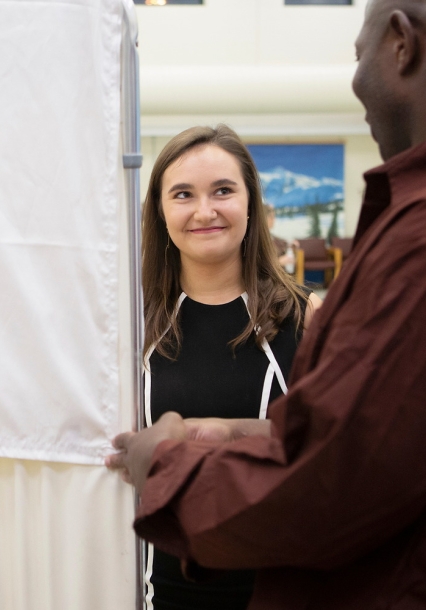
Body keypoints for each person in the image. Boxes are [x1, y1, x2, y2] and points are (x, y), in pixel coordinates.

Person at [106, 0, 426, 608]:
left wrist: (168, 466)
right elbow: (404, 441)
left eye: (360, 54)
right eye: (182, 195)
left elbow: (332, 490)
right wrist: (241, 436)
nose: (357, 82)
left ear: (401, 44)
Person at [137, 125, 319, 610]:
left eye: (223, 190)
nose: (204, 210)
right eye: (183, 194)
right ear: (159, 209)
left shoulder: (308, 317)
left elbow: (337, 449)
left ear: (251, 202)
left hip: (279, 593)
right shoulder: (129, 327)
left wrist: (226, 434)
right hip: (157, 597)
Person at [263, 204, 295, 272]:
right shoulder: (259, 240)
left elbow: (282, 242)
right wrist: (279, 262)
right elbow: (259, 265)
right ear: (264, 218)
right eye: (272, 217)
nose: (273, 220)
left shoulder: (271, 236)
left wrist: (290, 244)